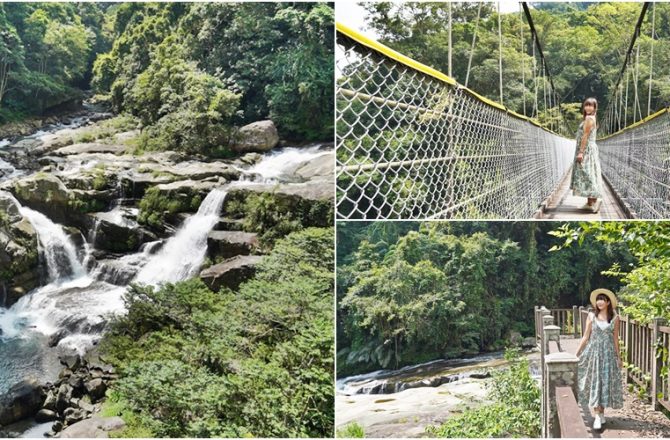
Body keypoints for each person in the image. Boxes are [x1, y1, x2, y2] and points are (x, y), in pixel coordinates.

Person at [575, 288, 623, 431]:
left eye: (603, 299)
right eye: (598, 299)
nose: (599, 302)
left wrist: (619, 358)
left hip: (608, 355)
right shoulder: (591, 316)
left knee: (604, 382)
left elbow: (615, 339)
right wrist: (576, 354)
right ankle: (596, 415)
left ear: (608, 302)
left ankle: (602, 413)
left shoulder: (615, 318)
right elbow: (585, 336)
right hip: (593, 353)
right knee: (595, 381)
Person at [570, 97, 603, 213]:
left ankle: (596, 199)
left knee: (587, 174)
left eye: (591, 105)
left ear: (595, 108)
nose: (588, 107)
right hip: (590, 149)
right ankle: (590, 203)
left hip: (586, 150)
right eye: (586, 105)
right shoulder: (592, 118)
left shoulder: (589, 118)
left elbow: (585, 136)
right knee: (590, 173)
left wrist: (581, 152)